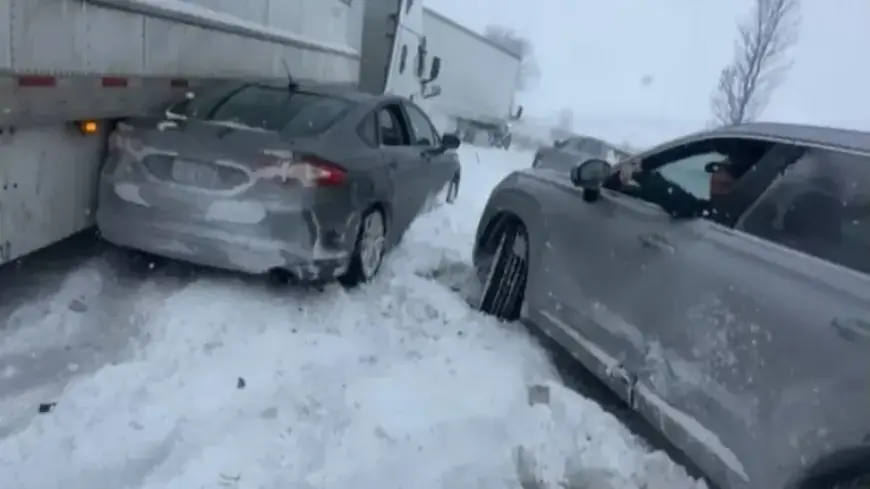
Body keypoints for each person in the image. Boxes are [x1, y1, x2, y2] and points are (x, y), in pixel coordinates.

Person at [608, 156, 739, 219]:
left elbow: (679, 202)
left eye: (723, 171)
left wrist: (642, 175)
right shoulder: (716, 212)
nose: (714, 177)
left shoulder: (724, 219)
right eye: (715, 171)